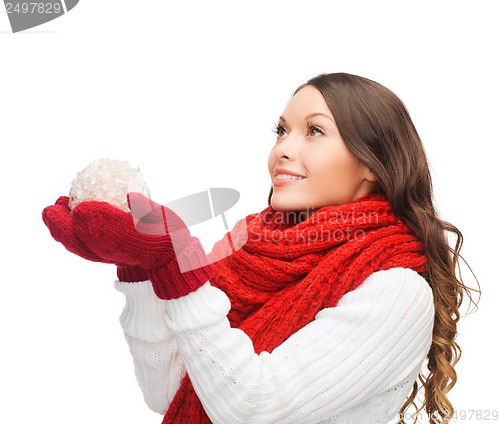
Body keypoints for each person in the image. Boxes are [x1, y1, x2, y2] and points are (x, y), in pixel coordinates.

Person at [42, 72, 476, 424]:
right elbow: (169, 393)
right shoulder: (246, 253)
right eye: (282, 130)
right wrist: (141, 270)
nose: (283, 148)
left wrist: (177, 267)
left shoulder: (397, 291)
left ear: (370, 162)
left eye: (314, 131)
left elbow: (253, 408)